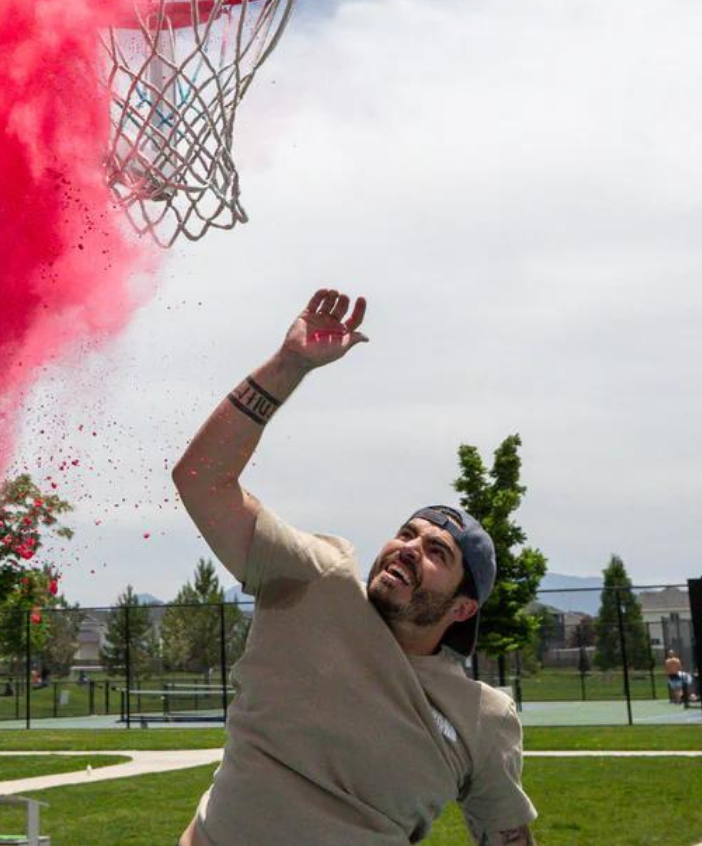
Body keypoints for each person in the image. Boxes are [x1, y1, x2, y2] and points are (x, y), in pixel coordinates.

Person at [172, 287, 538, 846]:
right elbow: (202, 480)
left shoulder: (483, 718)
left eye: (437, 552)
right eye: (407, 533)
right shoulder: (315, 578)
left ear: (464, 607)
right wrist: (289, 365)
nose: (411, 547)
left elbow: (505, 834)